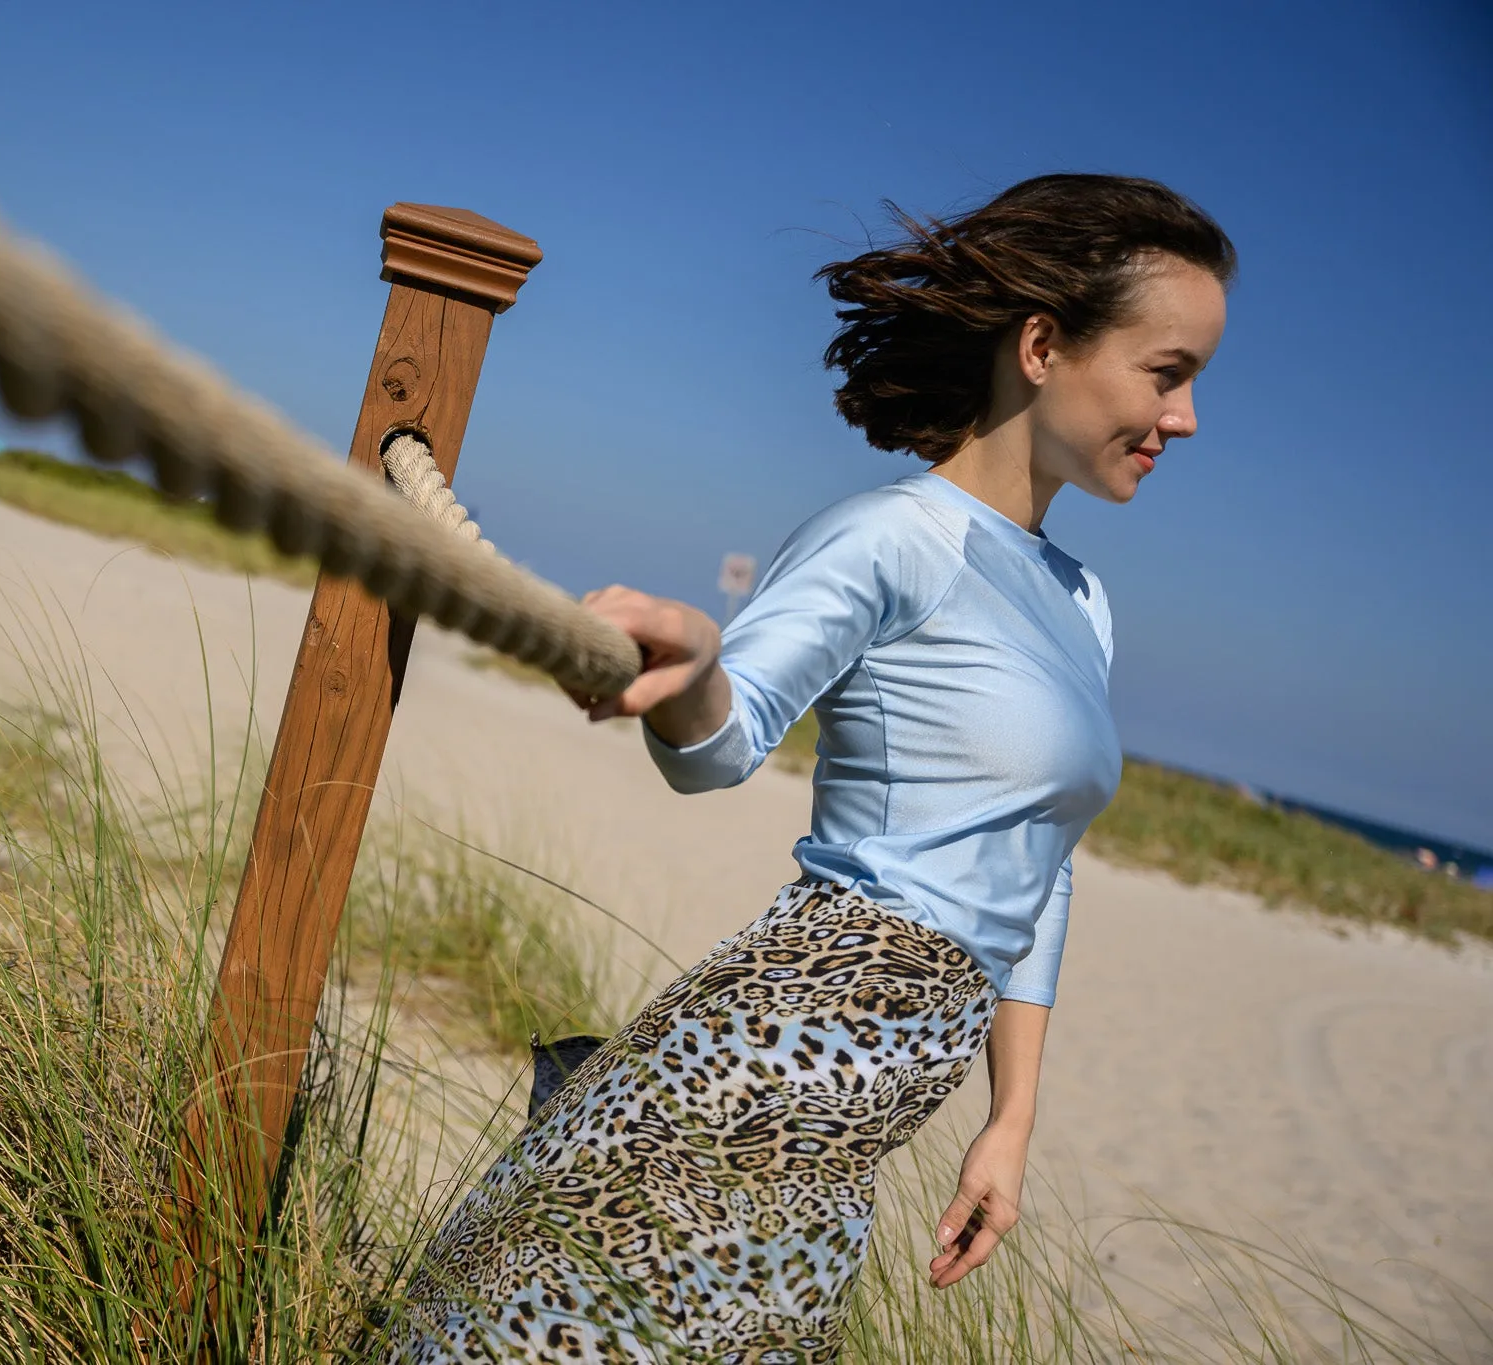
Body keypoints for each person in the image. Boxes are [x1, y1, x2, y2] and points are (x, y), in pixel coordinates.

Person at [377, 173, 1235, 1363]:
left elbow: (1043, 873)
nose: (1185, 418)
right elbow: (723, 746)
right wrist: (690, 670)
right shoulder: (892, 538)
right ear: (1041, 346)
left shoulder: (1081, 603)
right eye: (1166, 370)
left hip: (847, 1142)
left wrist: (1009, 1124)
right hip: (769, 1062)